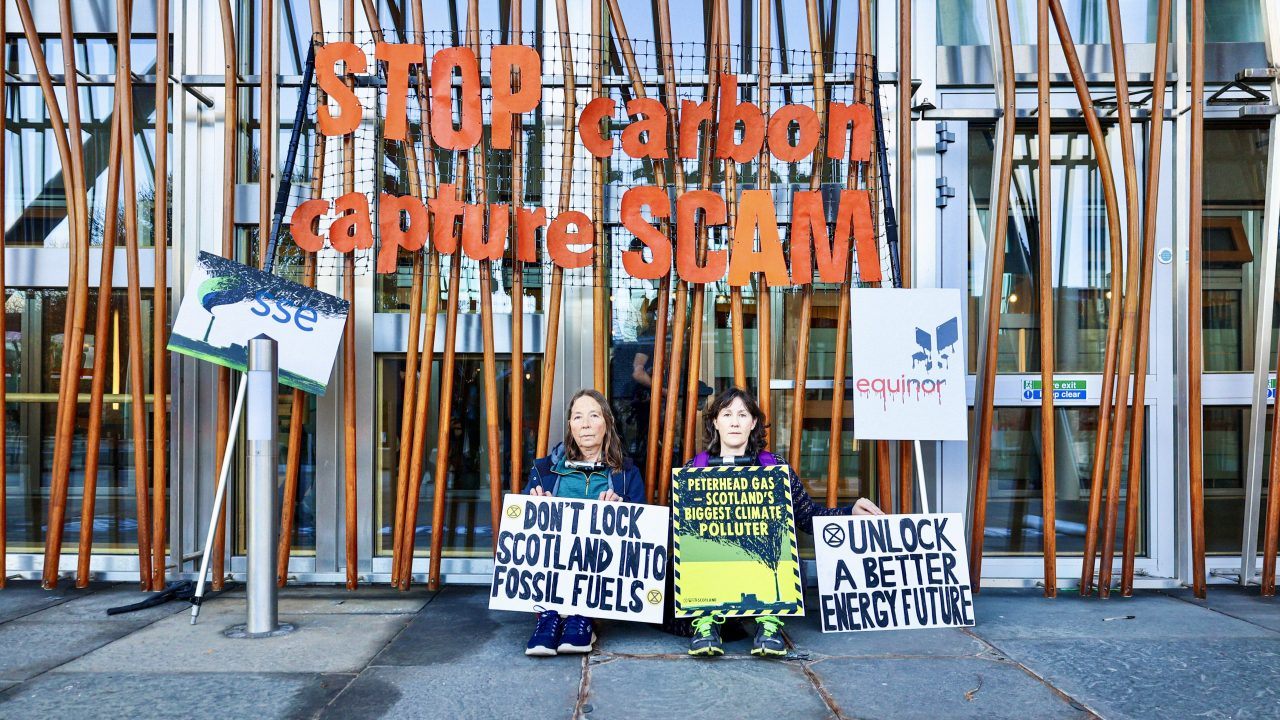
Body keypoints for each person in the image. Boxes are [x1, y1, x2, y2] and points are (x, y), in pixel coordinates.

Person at [681, 386, 884, 658]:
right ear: (715, 422)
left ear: (753, 423)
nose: (734, 421)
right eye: (727, 414)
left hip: (763, 563)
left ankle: (769, 622)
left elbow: (807, 516)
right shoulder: (693, 470)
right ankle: (706, 623)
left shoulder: (775, 468)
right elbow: (681, 532)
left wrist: (850, 512)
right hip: (714, 566)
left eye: (742, 414)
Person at [522, 388, 646, 656]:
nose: (586, 425)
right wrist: (534, 503)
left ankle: (582, 616)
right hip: (555, 565)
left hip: (600, 567)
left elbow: (643, 530)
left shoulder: (626, 473)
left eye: (594, 415)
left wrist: (622, 511)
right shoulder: (544, 470)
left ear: (607, 422)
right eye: (578, 417)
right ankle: (549, 615)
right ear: (570, 425)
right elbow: (521, 525)